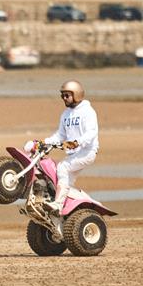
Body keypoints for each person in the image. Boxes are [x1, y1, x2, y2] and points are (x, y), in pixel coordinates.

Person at [37, 80, 99, 212]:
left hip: (87, 151)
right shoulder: (66, 114)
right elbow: (60, 135)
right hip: (74, 154)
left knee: (62, 167)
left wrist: (77, 142)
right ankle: (71, 208)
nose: (64, 98)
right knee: (64, 181)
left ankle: (58, 204)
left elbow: (91, 133)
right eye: (62, 96)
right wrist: (44, 142)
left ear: (76, 94)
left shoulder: (88, 111)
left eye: (67, 95)